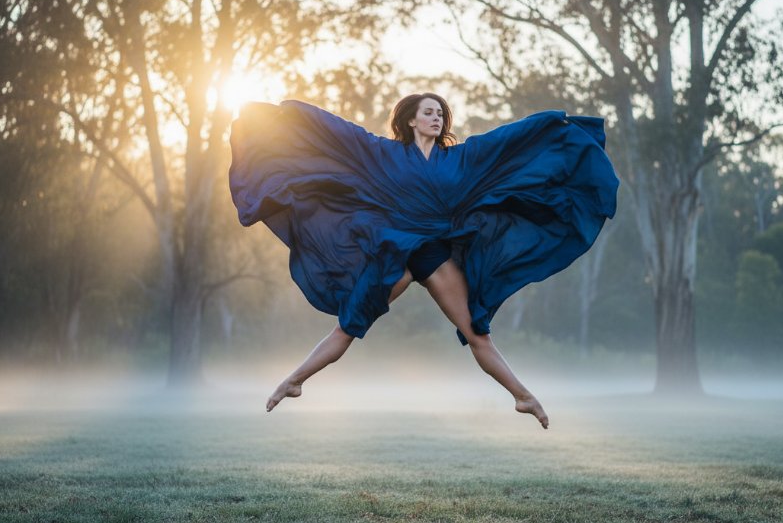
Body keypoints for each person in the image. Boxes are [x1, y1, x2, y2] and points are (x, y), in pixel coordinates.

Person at [229, 93, 619, 430]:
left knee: (477, 333)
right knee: (348, 325)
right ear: (411, 119)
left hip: (434, 253)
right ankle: (293, 381)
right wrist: (288, 113)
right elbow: (338, 133)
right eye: (429, 112)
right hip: (394, 251)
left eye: (441, 114)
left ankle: (524, 397)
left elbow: (508, 141)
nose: (437, 118)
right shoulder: (382, 152)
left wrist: (553, 124)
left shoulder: (461, 159)